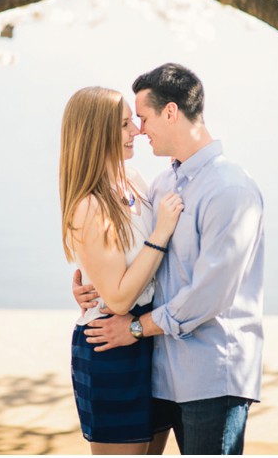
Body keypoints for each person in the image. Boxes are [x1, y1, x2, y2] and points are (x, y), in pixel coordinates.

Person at [79, 64, 265, 455]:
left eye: (142, 119)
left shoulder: (229, 190)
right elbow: (143, 263)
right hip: (160, 372)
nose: (139, 130)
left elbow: (208, 296)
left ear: (171, 112)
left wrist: (133, 329)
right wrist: (94, 286)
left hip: (211, 376)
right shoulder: (161, 184)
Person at [60, 86, 182, 454]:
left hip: (148, 339)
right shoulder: (89, 206)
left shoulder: (134, 181)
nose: (137, 132)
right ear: (98, 133)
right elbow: (117, 296)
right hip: (110, 346)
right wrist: (161, 231)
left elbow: (127, 267)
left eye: (134, 122)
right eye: (126, 124)